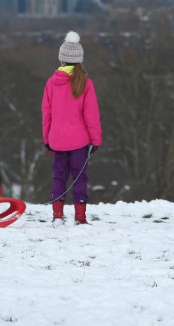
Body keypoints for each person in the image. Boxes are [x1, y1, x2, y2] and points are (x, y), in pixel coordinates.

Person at [42, 31, 102, 226]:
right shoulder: (86, 83)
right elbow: (91, 115)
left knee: (59, 177)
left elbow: (46, 114)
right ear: (79, 60)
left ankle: (57, 216)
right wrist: (96, 140)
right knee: (79, 178)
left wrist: (47, 139)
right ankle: (80, 217)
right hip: (79, 142)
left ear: (61, 60)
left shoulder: (51, 83)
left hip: (58, 140)